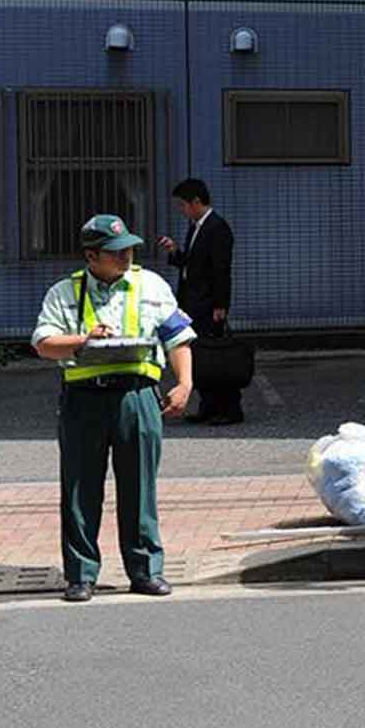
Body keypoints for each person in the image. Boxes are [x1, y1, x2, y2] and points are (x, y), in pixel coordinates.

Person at [31, 214, 196, 603]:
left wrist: (185, 383)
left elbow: (177, 338)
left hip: (138, 397)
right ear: (92, 255)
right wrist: (83, 339)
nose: (126, 256)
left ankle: (145, 571)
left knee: (140, 487)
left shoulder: (150, 285)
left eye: (130, 249)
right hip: (83, 400)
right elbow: (42, 343)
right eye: (116, 251)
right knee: (79, 490)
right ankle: (81, 576)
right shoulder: (63, 293)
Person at [158, 179, 240, 424]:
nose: (182, 210)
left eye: (183, 205)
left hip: (208, 303)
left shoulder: (218, 228)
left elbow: (221, 270)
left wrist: (220, 305)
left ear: (196, 202)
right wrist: (174, 252)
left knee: (217, 356)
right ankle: (208, 406)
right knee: (202, 357)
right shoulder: (197, 227)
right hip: (193, 301)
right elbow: (192, 264)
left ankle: (229, 408)